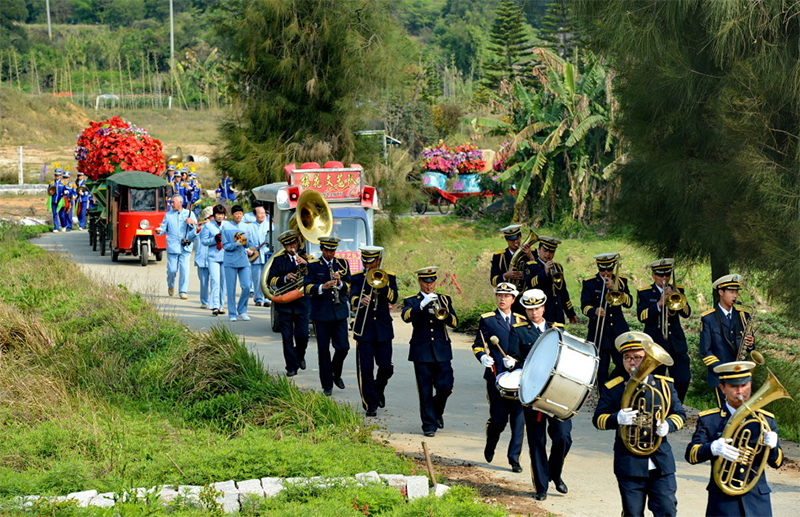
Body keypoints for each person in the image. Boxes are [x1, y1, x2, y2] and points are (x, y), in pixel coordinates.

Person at [593, 332, 686, 517]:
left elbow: (680, 415)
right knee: (632, 513)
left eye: (638, 357)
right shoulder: (614, 388)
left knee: (667, 510)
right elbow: (598, 419)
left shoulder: (664, 386)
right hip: (629, 463)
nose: (633, 362)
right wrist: (616, 418)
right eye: (628, 358)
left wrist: (668, 424)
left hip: (661, 462)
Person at [685, 361, 784, 517]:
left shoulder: (766, 421)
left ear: (750, 384)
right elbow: (691, 455)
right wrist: (712, 448)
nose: (740, 391)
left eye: (745, 385)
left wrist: (772, 448)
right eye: (733, 386)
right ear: (722, 388)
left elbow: (777, 462)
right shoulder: (710, 420)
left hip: (757, 499)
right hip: (723, 501)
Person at [510, 289, 572, 500]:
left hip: (558, 393)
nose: (534, 313)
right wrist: (512, 363)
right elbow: (515, 361)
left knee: (563, 438)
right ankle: (541, 487)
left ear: (543, 308)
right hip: (533, 395)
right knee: (537, 441)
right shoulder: (518, 331)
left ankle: (555, 473)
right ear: (525, 310)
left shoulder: (557, 330)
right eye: (529, 309)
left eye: (537, 308)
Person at [473, 281, 526, 473]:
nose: (502, 299)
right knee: (498, 419)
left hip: (519, 377)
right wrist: (482, 357)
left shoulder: (521, 320)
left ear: (514, 299)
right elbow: (478, 344)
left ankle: (514, 459)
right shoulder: (487, 320)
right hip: (496, 377)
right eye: (499, 295)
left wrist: (517, 361)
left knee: (519, 421)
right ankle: (491, 441)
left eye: (506, 296)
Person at [401, 266, 458, 437]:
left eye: (432, 281)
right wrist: (422, 304)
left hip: (442, 349)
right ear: (420, 282)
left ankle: (436, 411)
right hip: (421, 350)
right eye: (426, 282)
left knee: (446, 386)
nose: (429, 285)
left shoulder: (445, 299)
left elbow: (455, 322)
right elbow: (406, 317)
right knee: (425, 390)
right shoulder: (411, 300)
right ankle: (428, 425)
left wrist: (445, 313)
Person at [350, 246, 398, 417]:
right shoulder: (357, 277)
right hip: (365, 329)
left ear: (378, 260)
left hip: (383, 329)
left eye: (370, 262)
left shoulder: (389, 276)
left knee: (386, 366)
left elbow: (394, 298)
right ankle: (370, 404)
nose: (367, 265)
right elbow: (351, 295)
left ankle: (379, 388)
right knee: (366, 369)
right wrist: (359, 300)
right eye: (364, 261)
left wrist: (383, 284)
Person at [636, 259, 692, 402]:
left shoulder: (678, 290)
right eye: (661, 276)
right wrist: (660, 303)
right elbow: (642, 316)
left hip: (676, 342)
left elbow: (686, 313)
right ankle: (656, 406)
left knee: (683, 378)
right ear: (654, 275)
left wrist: (677, 296)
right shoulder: (645, 293)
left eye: (667, 275)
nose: (664, 278)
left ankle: (677, 406)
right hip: (655, 342)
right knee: (654, 379)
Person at [304, 236, 351, 396]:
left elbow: (349, 285)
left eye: (333, 250)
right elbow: (306, 286)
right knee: (323, 350)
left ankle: (335, 373)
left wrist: (340, 283)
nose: (331, 253)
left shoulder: (342, 264)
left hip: (339, 313)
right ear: (322, 249)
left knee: (343, 347)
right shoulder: (313, 265)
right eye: (328, 250)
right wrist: (321, 286)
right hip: (321, 314)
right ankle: (327, 384)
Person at [699, 274, 754, 405]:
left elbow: (750, 346)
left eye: (736, 292)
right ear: (721, 292)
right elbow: (705, 352)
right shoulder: (708, 318)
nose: (735, 296)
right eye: (731, 292)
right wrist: (721, 368)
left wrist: (751, 344)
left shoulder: (743, 315)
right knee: (726, 414)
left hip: (741, 375)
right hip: (721, 376)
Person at [581, 253, 632, 390]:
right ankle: (603, 396)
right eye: (603, 270)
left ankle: (615, 388)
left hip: (617, 330)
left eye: (609, 269)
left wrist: (615, 288)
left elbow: (629, 303)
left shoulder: (621, 281)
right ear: (598, 268)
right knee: (601, 368)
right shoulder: (590, 282)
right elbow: (584, 306)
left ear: (613, 268)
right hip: (599, 330)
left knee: (622, 364)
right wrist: (594, 311)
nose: (606, 273)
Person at [268, 230, 310, 377]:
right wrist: (284, 278)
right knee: (286, 338)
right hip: (285, 305)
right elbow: (270, 280)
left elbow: (317, 276)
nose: (291, 246)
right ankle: (291, 367)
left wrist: (306, 264)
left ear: (298, 244)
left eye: (293, 243)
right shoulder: (278, 260)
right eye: (287, 245)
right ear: (284, 246)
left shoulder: (307, 258)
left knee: (303, 336)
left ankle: (300, 356)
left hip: (302, 303)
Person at [525, 236, 578, 325]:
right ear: (539, 250)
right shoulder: (531, 266)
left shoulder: (558, 267)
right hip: (541, 315)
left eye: (551, 252)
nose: (548, 255)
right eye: (545, 251)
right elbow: (530, 284)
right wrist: (544, 272)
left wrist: (570, 313)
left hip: (558, 315)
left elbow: (563, 291)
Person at [156, 195, 197, 299]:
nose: (171, 204)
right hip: (173, 246)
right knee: (172, 270)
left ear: (180, 202)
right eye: (171, 202)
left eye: (173, 202)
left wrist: (191, 223)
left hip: (186, 246)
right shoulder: (168, 215)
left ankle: (183, 291)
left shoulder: (189, 213)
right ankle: (171, 285)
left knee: (184, 270)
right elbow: (164, 227)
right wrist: (160, 230)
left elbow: (196, 229)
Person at [221, 204, 253, 322]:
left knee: (246, 287)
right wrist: (236, 244)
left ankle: (242, 310)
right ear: (232, 215)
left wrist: (247, 242)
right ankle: (232, 313)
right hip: (230, 261)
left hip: (243, 260)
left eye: (240, 213)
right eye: (236, 214)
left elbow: (249, 244)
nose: (238, 216)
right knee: (231, 288)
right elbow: (225, 245)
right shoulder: (226, 227)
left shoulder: (246, 227)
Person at [199, 204, 227, 315]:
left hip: (225, 256)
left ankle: (221, 305)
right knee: (215, 280)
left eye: (222, 214)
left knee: (223, 282)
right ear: (214, 215)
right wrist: (214, 240)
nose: (220, 216)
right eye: (218, 214)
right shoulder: (208, 226)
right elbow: (204, 241)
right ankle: (214, 306)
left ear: (224, 215)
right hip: (213, 257)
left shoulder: (228, 225)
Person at [247, 204, 271, 307]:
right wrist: (248, 250)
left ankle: (267, 298)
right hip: (255, 256)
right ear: (255, 215)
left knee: (268, 278)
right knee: (256, 279)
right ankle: (258, 298)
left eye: (263, 213)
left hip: (267, 254)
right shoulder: (250, 227)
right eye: (260, 213)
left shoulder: (270, 225)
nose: (262, 215)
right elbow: (245, 241)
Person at [194, 206, 214, 309]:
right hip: (202, 259)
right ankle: (204, 301)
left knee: (215, 281)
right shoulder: (200, 227)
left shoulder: (220, 227)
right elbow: (190, 237)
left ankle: (215, 302)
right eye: (210, 217)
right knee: (203, 282)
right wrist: (197, 230)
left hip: (215, 258)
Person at [47, 166, 64, 231]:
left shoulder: (63, 183)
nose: (57, 177)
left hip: (61, 201)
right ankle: (56, 227)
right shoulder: (51, 183)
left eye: (58, 175)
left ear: (61, 176)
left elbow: (67, 190)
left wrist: (66, 192)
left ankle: (63, 225)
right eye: (56, 175)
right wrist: (50, 191)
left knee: (61, 215)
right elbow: (49, 191)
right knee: (55, 214)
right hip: (54, 201)